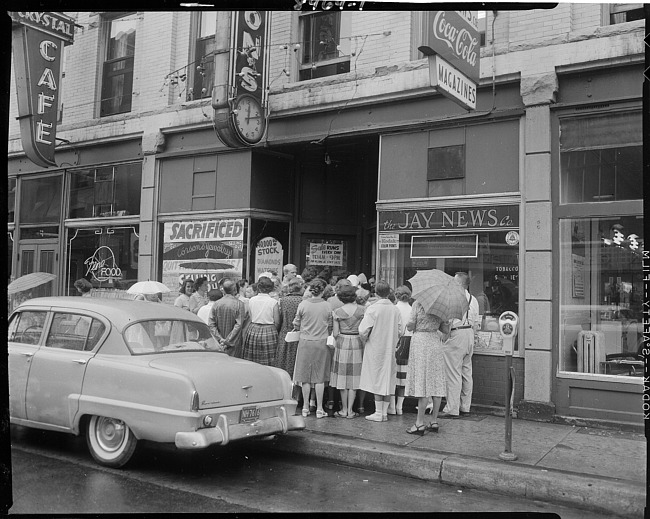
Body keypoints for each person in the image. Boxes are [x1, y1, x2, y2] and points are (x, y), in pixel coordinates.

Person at [358, 280, 403, 422]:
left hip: (375, 346)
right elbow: (401, 329)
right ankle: (384, 412)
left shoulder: (372, 308)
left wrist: (365, 339)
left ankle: (378, 412)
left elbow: (363, 330)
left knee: (376, 377)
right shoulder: (395, 309)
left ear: (375, 293)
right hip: (391, 347)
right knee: (388, 377)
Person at [404, 298, 449, 435]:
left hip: (420, 342)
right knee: (436, 381)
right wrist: (446, 321)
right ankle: (434, 421)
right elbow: (445, 330)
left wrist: (411, 324)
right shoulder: (442, 305)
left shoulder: (418, 303)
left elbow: (410, 325)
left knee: (422, 380)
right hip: (435, 342)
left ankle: (419, 423)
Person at [440, 272, 480, 419]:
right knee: (467, 372)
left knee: (453, 373)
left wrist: (445, 337)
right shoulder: (473, 299)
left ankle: (452, 409)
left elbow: (448, 322)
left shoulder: (454, 298)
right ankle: (465, 406)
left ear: (460, 284)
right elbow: (476, 323)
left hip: (456, 335)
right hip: (469, 334)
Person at [293, 278, 333, 418]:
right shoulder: (327, 306)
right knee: (319, 377)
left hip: (305, 342)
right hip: (321, 342)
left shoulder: (303, 304)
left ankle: (304, 407)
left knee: (305, 377)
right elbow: (330, 323)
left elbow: (296, 323)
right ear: (322, 290)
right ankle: (319, 408)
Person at [330, 284, 366, 418]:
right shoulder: (362, 310)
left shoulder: (337, 311)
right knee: (354, 376)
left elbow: (334, 333)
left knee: (342, 376)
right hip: (357, 341)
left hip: (342, 342)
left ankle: (344, 409)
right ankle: (351, 410)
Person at [242, 276, 280, 365]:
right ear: (270, 288)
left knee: (252, 357)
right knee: (269, 358)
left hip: (253, 328)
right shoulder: (273, 302)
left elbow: (250, 317)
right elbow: (277, 321)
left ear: (258, 287)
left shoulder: (251, 300)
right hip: (269, 329)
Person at [273, 278, 304, 382]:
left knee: (283, 359)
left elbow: (279, 318)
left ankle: (283, 381)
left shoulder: (283, 300)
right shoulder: (303, 301)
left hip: (285, 332)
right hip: (299, 333)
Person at [209, 280, 247, 357]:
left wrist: (220, 339)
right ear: (235, 290)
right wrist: (228, 340)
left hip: (219, 343)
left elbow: (211, 324)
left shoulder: (216, 304)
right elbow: (239, 325)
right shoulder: (239, 304)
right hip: (234, 343)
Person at [392, 285, 413, 416]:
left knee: (393, 375)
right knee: (403, 376)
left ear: (396, 295)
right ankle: (399, 405)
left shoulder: (394, 309)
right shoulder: (412, 309)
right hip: (410, 343)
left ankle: (391, 406)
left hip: (396, 343)